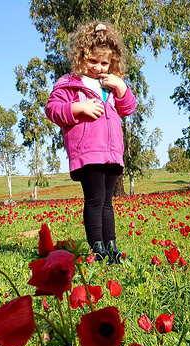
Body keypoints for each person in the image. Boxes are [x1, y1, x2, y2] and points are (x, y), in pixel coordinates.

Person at [45, 21, 136, 264]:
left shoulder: (111, 84)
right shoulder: (70, 83)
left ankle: (111, 247)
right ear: (81, 57)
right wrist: (78, 107)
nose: (98, 67)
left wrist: (122, 88)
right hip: (88, 152)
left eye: (104, 63)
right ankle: (97, 248)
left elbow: (128, 109)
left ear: (112, 63)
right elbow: (53, 109)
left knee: (107, 203)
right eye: (92, 61)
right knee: (95, 200)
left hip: (111, 153)